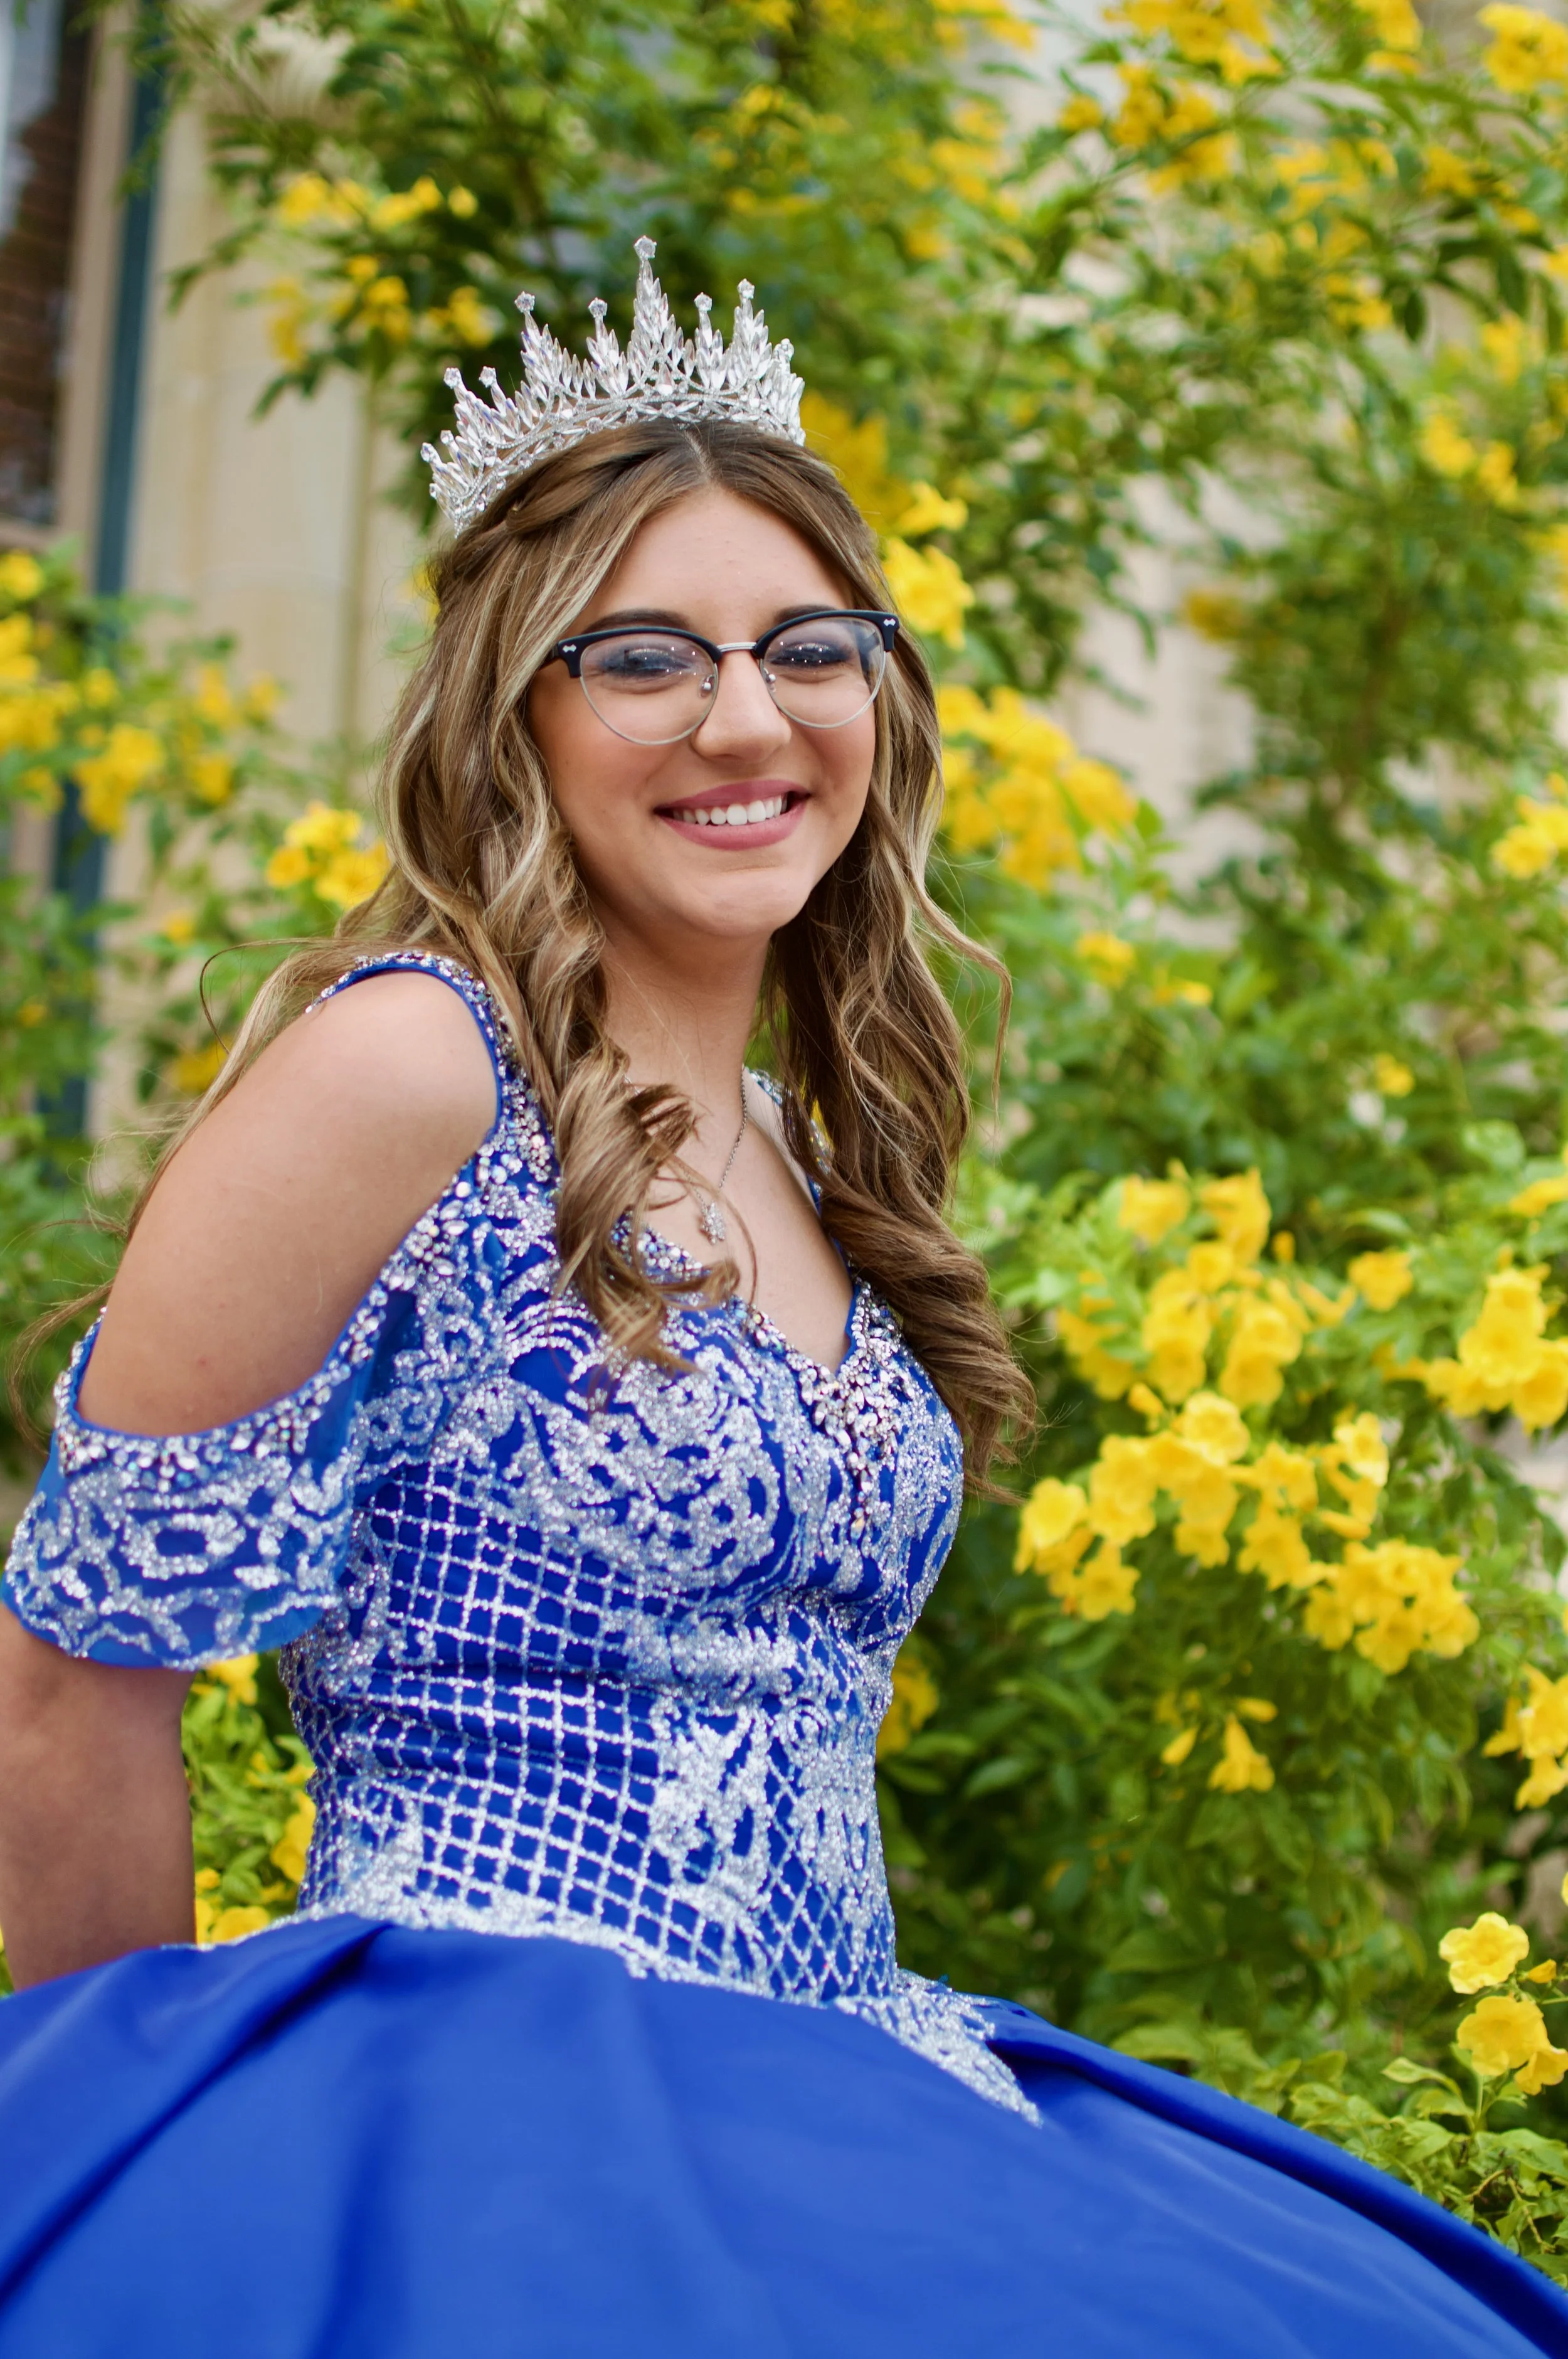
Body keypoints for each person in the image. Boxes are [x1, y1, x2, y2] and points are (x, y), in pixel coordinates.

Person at [0, 241, 1560, 2359]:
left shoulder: (808, 1151)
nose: (746, 719)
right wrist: (111, 2187)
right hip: (481, 2106)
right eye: (642, 656)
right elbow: (73, 1681)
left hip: (847, 2079)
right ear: (513, 708)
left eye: (805, 647)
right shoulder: (411, 1072)